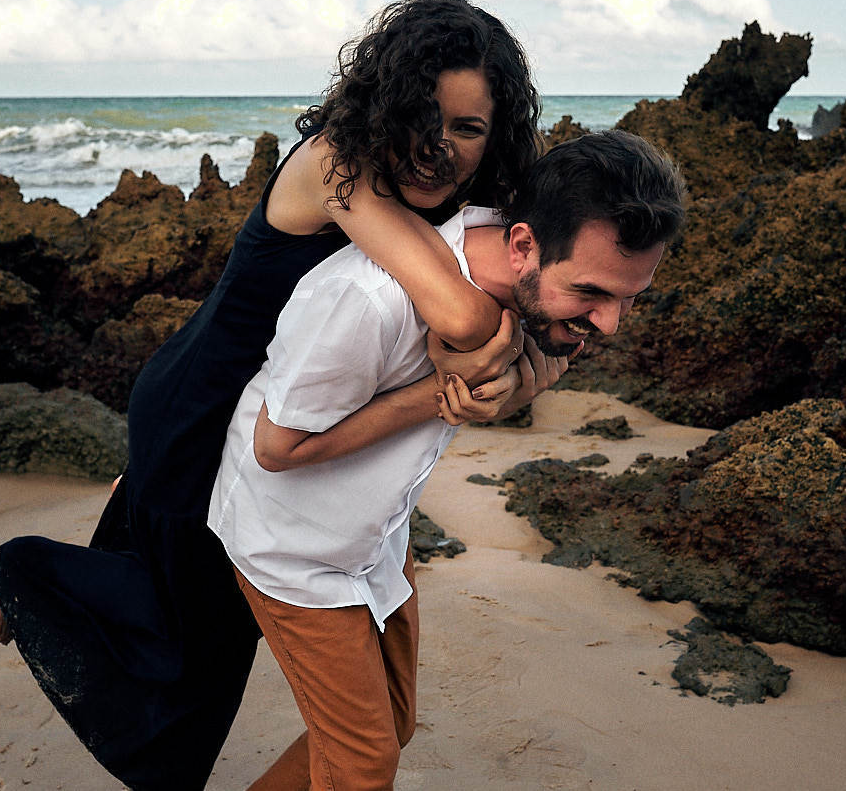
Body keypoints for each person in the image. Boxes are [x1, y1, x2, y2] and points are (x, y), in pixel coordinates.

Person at [0, 0, 541, 789]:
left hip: (249, 410)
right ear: (384, 100)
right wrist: (500, 346)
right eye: (421, 115)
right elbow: (454, 309)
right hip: (202, 408)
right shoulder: (335, 163)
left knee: (188, 635)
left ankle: (65, 573)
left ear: (496, 135)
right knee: (184, 675)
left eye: (467, 129)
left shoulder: (439, 204)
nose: (436, 146)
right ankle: (30, 580)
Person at [210, 129, 687, 789]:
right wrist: (437, 395)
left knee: (390, 727)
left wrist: (515, 383)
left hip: (374, 533)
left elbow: (534, 369)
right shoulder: (368, 301)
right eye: (592, 295)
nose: (609, 324)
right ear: (522, 246)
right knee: (362, 761)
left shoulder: (528, 268)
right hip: (291, 546)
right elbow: (275, 449)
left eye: (629, 297)